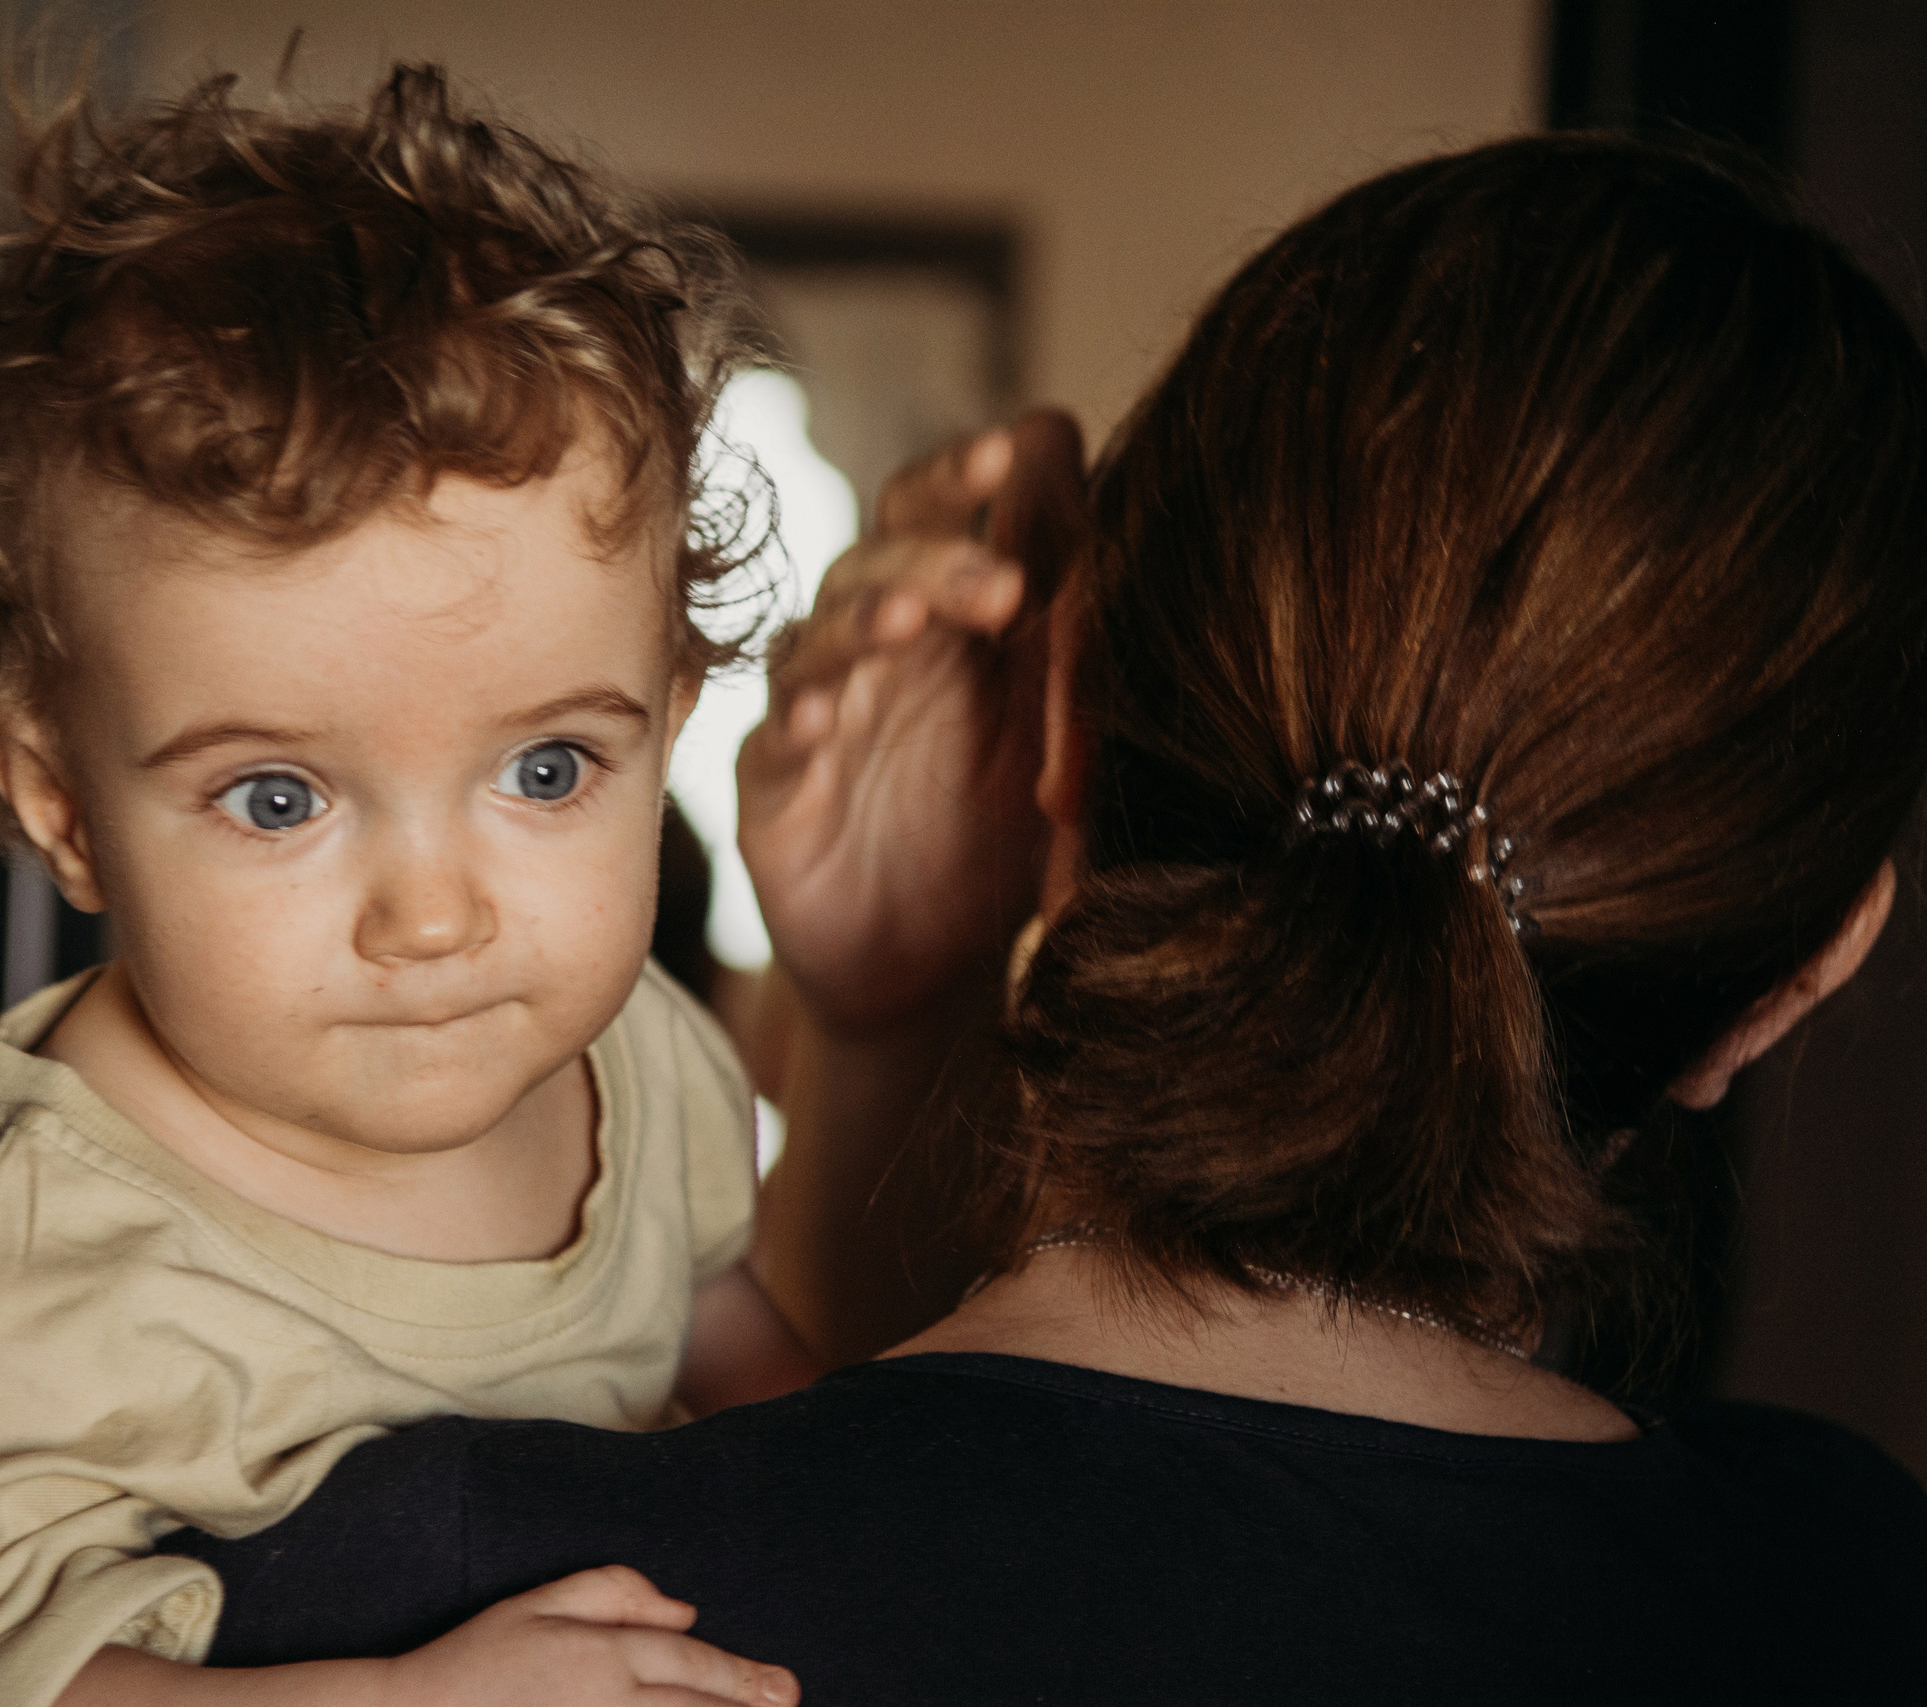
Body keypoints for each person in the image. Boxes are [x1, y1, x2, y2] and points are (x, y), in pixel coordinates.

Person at [155, 135, 1927, 1702]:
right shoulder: (1849, 1593)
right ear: (1805, 966)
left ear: (1063, 709)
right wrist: (878, 1027)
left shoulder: (406, 1615)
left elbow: (943, 1530)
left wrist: (884, 1028)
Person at [0, 66, 816, 1707]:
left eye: (545, 772)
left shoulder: (634, 1057)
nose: (435, 916)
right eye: (278, 796)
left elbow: (722, 1327)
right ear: (64, 806)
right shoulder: (67, 1261)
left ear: (667, 718)